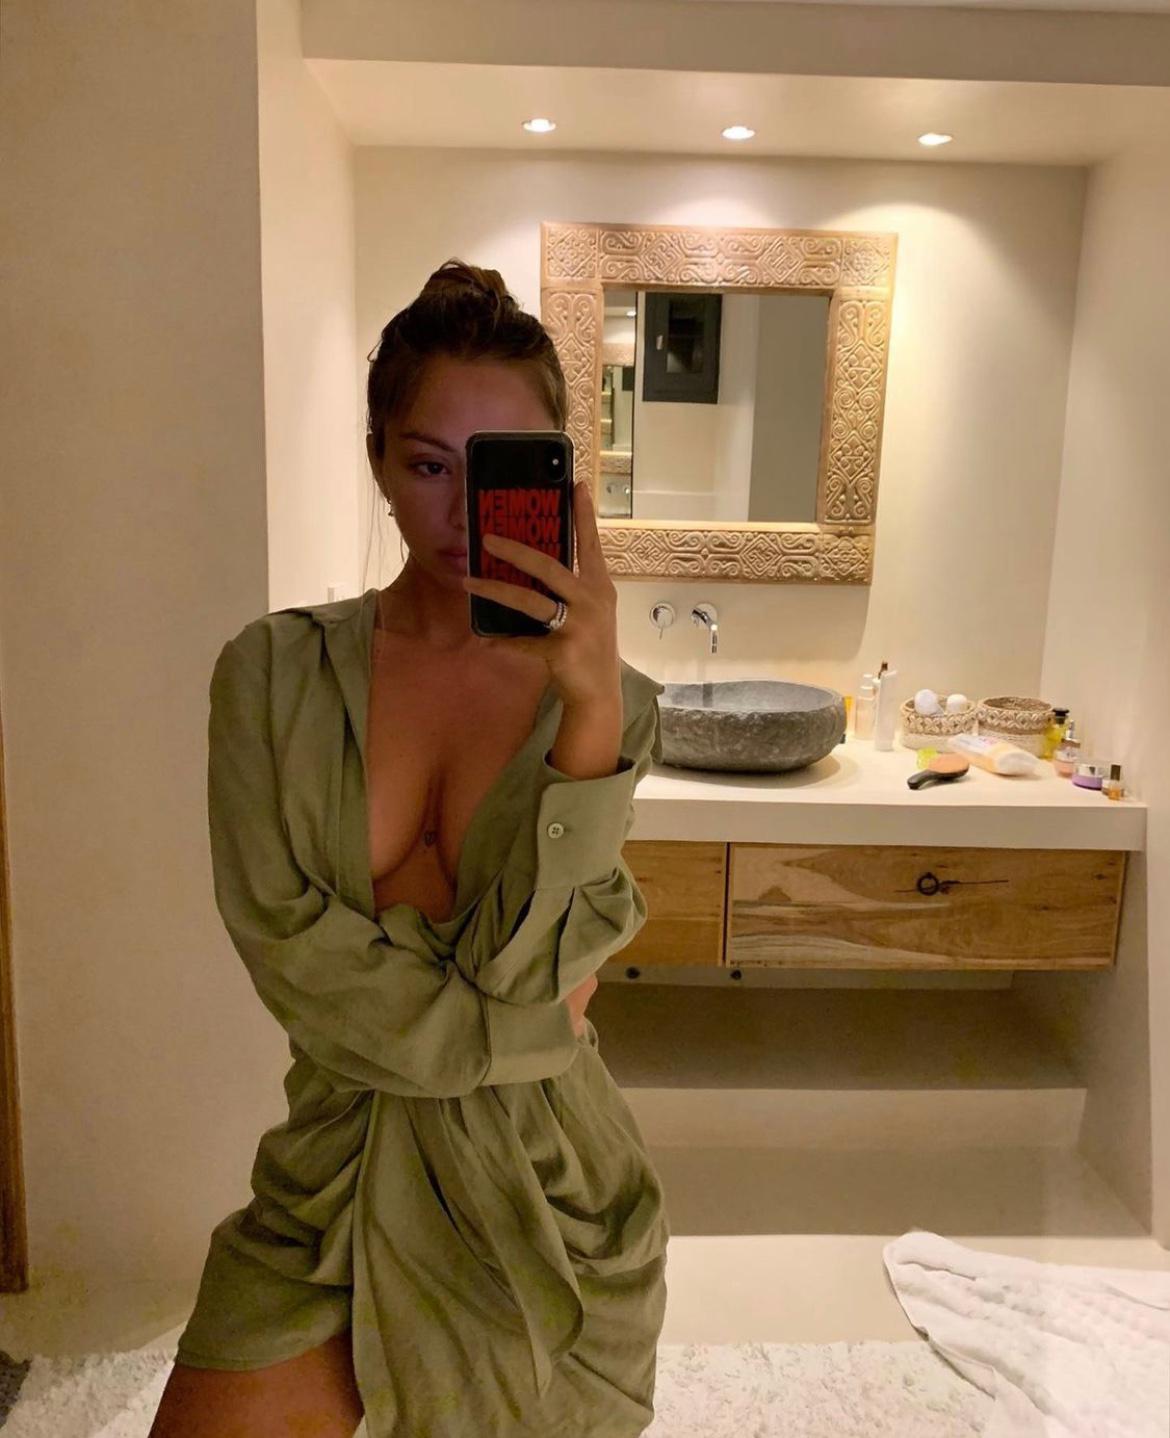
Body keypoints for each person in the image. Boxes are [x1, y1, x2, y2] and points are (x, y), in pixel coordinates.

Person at [149, 261, 671, 1438]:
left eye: (500, 471)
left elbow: (557, 972)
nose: (464, 513)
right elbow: (292, 953)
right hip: (333, 1171)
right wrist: (523, 1026)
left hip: (551, 1185)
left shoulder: (617, 710)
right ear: (378, 459)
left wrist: (589, 712)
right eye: (430, 467)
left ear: (557, 478)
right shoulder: (272, 676)